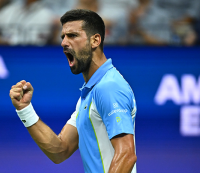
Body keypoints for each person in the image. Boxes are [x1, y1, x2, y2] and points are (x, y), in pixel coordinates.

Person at [9, 9, 137, 173]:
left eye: (73, 35)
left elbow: (126, 154)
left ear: (95, 40)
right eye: (63, 36)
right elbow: (60, 150)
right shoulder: (92, 91)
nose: (63, 42)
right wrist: (24, 109)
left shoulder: (109, 87)